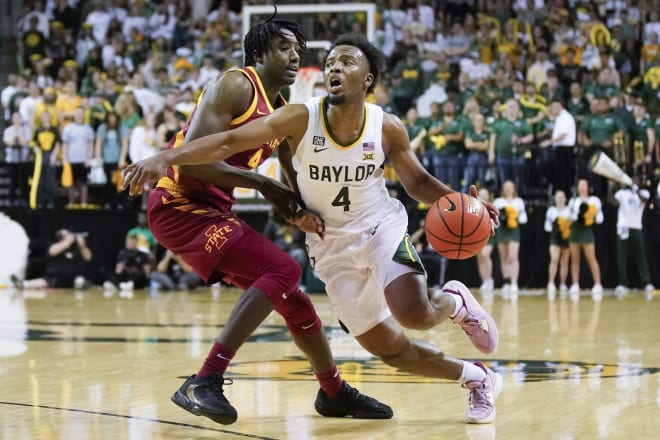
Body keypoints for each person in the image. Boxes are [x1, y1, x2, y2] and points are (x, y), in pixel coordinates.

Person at [122, 32, 504, 425]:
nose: (335, 66)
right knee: (390, 350)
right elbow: (229, 141)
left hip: (380, 227)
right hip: (331, 246)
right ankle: (477, 378)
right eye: (331, 62)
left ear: (368, 79)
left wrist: (464, 200)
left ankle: (454, 302)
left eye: (348, 62)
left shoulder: (385, 126)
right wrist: (166, 156)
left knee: (415, 314)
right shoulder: (298, 117)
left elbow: (419, 183)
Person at [118, 18, 393, 425]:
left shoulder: (281, 110)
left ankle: (333, 392)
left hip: (213, 210)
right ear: (260, 53)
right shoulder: (235, 85)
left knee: (295, 301)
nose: (295, 58)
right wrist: (260, 183)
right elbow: (196, 161)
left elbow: (290, 172)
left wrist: (302, 210)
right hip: (178, 205)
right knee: (282, 268)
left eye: (298, 52)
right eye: (285, 49)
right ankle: (205, 378)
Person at [610, 180, 655, 298]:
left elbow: (645, 200)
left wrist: (636, 190)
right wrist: (611, 187)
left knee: (641, 255)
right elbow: (612, 201)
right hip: (623, 227)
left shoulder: (644, 192)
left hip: (636, 227)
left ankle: (646, 282)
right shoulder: (622, 193)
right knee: (621, 256)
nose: (634, 182)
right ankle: (622, 284)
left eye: (636, 180)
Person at [10, 228, 93, 290]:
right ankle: (23, 284)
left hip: (73, 278)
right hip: (55, 277)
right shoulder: (54, 245)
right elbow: (52, 252)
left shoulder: (76, 248)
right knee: (43, 282)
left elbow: (88, 257)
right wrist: (67, 242)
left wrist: (82, 245)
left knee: (80, 281)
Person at [567, 178, 604, 301]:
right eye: (580, 185)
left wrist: (591, 216)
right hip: (575, 231)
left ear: (588, 187)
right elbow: (569, 217)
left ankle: (598, 284)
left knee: (591, 258)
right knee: (575, 259)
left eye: (584, 185)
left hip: (587, 231)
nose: (582, 187)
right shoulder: (574, 201)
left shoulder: (594, 201)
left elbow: (600, 219)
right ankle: (575, 284)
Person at [492, 180, 527, 300]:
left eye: (510, 187)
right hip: (502, 231)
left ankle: (514, 283)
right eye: (506, 187)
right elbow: (494, 219)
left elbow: (524, 218)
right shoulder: (498, 201)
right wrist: (502, 217)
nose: (508, 189)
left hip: (513, 231)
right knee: (504, 257)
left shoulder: (519, 202)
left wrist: (514, 216)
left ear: (514, 189)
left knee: (513, 256)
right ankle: (506, 281)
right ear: (503, 189)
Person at [544, 190, 572, 300]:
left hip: (566, 238)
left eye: (562, 197)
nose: (560, 199)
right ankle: (551, 282)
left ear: (565, 199)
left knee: (564, 261)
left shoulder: (569, 211)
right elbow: (547, 225)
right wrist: (555, 226)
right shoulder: (551, 211)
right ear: (555, 199)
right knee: (554, 259)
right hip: (555, 238)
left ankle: (563, 284)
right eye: (558, 197)